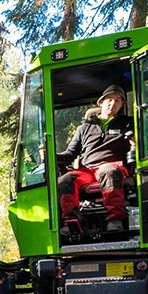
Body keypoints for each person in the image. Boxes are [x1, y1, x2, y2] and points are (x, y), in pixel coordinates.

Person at [57, 84, 134, 237]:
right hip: (87, 170)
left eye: (118, 101)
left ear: (122, 104)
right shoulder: (83, 129)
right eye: (110, 100)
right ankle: (70, 222)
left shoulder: (128, 123)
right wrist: (51, 156)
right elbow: (70, 153)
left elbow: (137, 142)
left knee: (108, 172)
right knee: (66, 179)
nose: (113, 104)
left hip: (113, 166)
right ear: (101, 102)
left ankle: (115, 220)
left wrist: (134, 142)